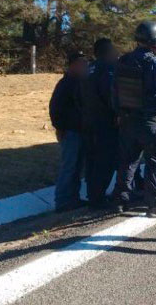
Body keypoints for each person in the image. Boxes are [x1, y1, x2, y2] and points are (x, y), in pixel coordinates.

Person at [114, 21, 156, 218]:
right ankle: (155, 206)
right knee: (155, 165)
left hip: (127, 120)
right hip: (152, 122)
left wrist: (119, 113)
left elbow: (114, 92)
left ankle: (120, 201)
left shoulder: (122, 61)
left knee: (127, 162)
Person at [82, 38, 120, 209]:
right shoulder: (107, 69)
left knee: (91, 160)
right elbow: (110, 95)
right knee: (105, 160)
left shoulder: (88, 69)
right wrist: (117, 113)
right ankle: (98, 198)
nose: (116, 54)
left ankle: (92, 195)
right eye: (113, 51)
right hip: (105, 122)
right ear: (107, 52)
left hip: (87, 121)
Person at [49, 52, 89, 213]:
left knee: (77, 167)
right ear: (72, 65)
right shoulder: (65, 84)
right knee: (69, 166)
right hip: (70, 132)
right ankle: (62, 201)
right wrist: (60, 128)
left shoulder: (80, 83)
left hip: (80, 131)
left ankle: (73, 198)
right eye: (81, 64)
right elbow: (55, 109)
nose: (85, 67)